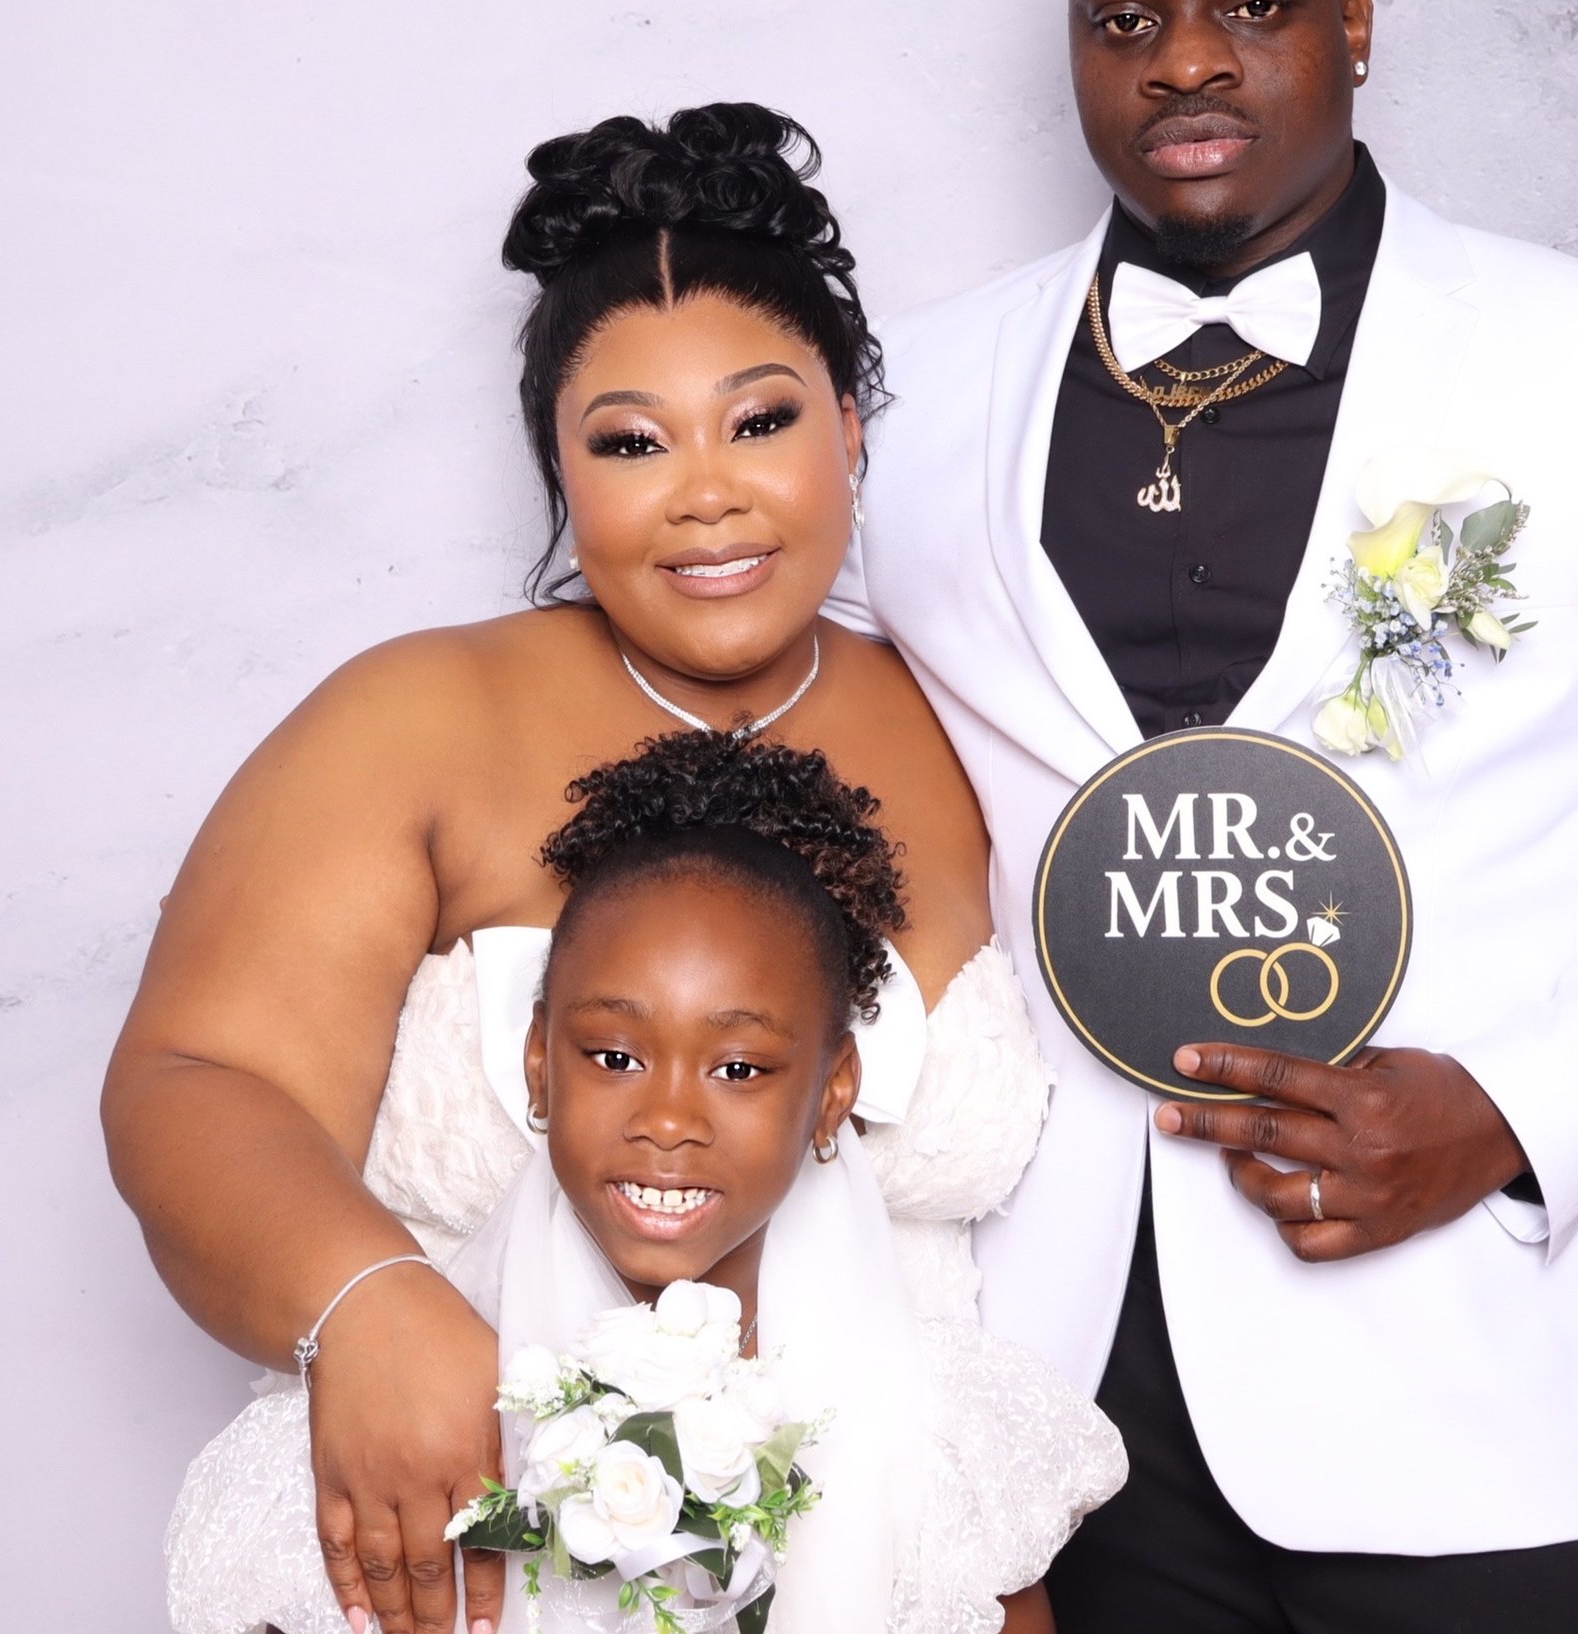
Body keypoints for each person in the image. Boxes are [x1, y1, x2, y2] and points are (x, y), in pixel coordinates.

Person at [831, 0, 1578, 1632]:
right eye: (1124, 17)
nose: (1186, 60)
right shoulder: (905, 398)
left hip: (1488, 1394)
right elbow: (833, 809)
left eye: (1252, 1)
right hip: (1054, 1421)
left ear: (1353, 21)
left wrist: (1509, 1107)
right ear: (1075, 41)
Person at [105, 102, 1106, 1634]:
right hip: (473, 1547)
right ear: (558, 470)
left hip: (903, 1561)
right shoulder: (415, 715)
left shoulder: (977, 709)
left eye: (761, 421)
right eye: (630, 442)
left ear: (851, 424)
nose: (705, 490)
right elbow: (193, 1073)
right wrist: (364, 1305)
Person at [164, 730, 1120, 1634]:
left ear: (834, 1095)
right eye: (614, 1055)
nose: (668, 1120)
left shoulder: (946, 1430)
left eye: (739, 1069)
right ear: (540, 1063)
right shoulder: (387, 1439)